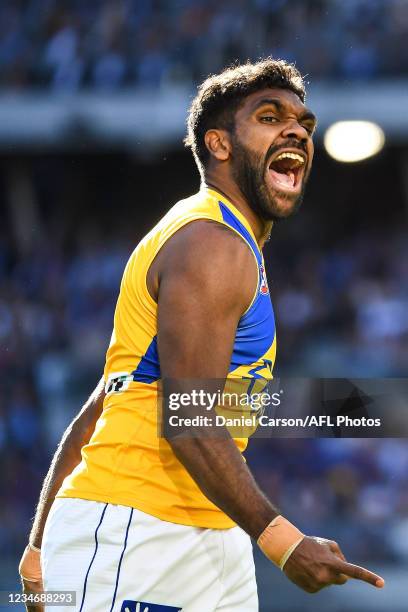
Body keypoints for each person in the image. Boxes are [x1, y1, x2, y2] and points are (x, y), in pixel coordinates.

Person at [19, 58, 385, 612]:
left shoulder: (225, 241)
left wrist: (38, 543)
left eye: (304, 124)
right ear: (219, 144)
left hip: (207, 534)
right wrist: (285, 542)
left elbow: (110, 399)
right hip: (136, 528)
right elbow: (190, 420)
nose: (296, 130)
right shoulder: (211, 243)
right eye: (269, 116)